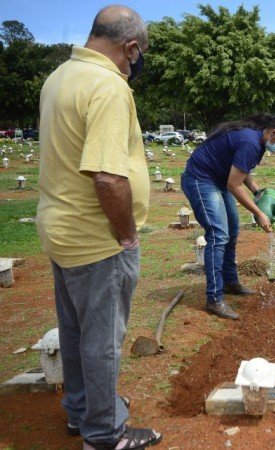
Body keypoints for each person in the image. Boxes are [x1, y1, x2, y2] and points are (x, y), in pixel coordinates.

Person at [36, 5, 161, 449]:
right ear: (130, 48)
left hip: (61, 229)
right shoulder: (108, 86)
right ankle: (105, 435)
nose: (136, 65)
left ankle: (80, 411)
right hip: (96, 239)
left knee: (74, 331)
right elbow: (107, 176)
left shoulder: (60, 77)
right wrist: (126, 234)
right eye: (138, 57)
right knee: (103, 340)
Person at [181, 114, 275, 319]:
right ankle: (214, 299)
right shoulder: (250, 141)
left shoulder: (258, 142)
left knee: (232, 230)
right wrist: (259, 213)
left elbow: (241, 169)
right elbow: (234, 185)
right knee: (218, 234)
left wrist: (256, 191)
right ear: (274, 133)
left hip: (219, 179)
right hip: (201, 179)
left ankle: (230, 282)